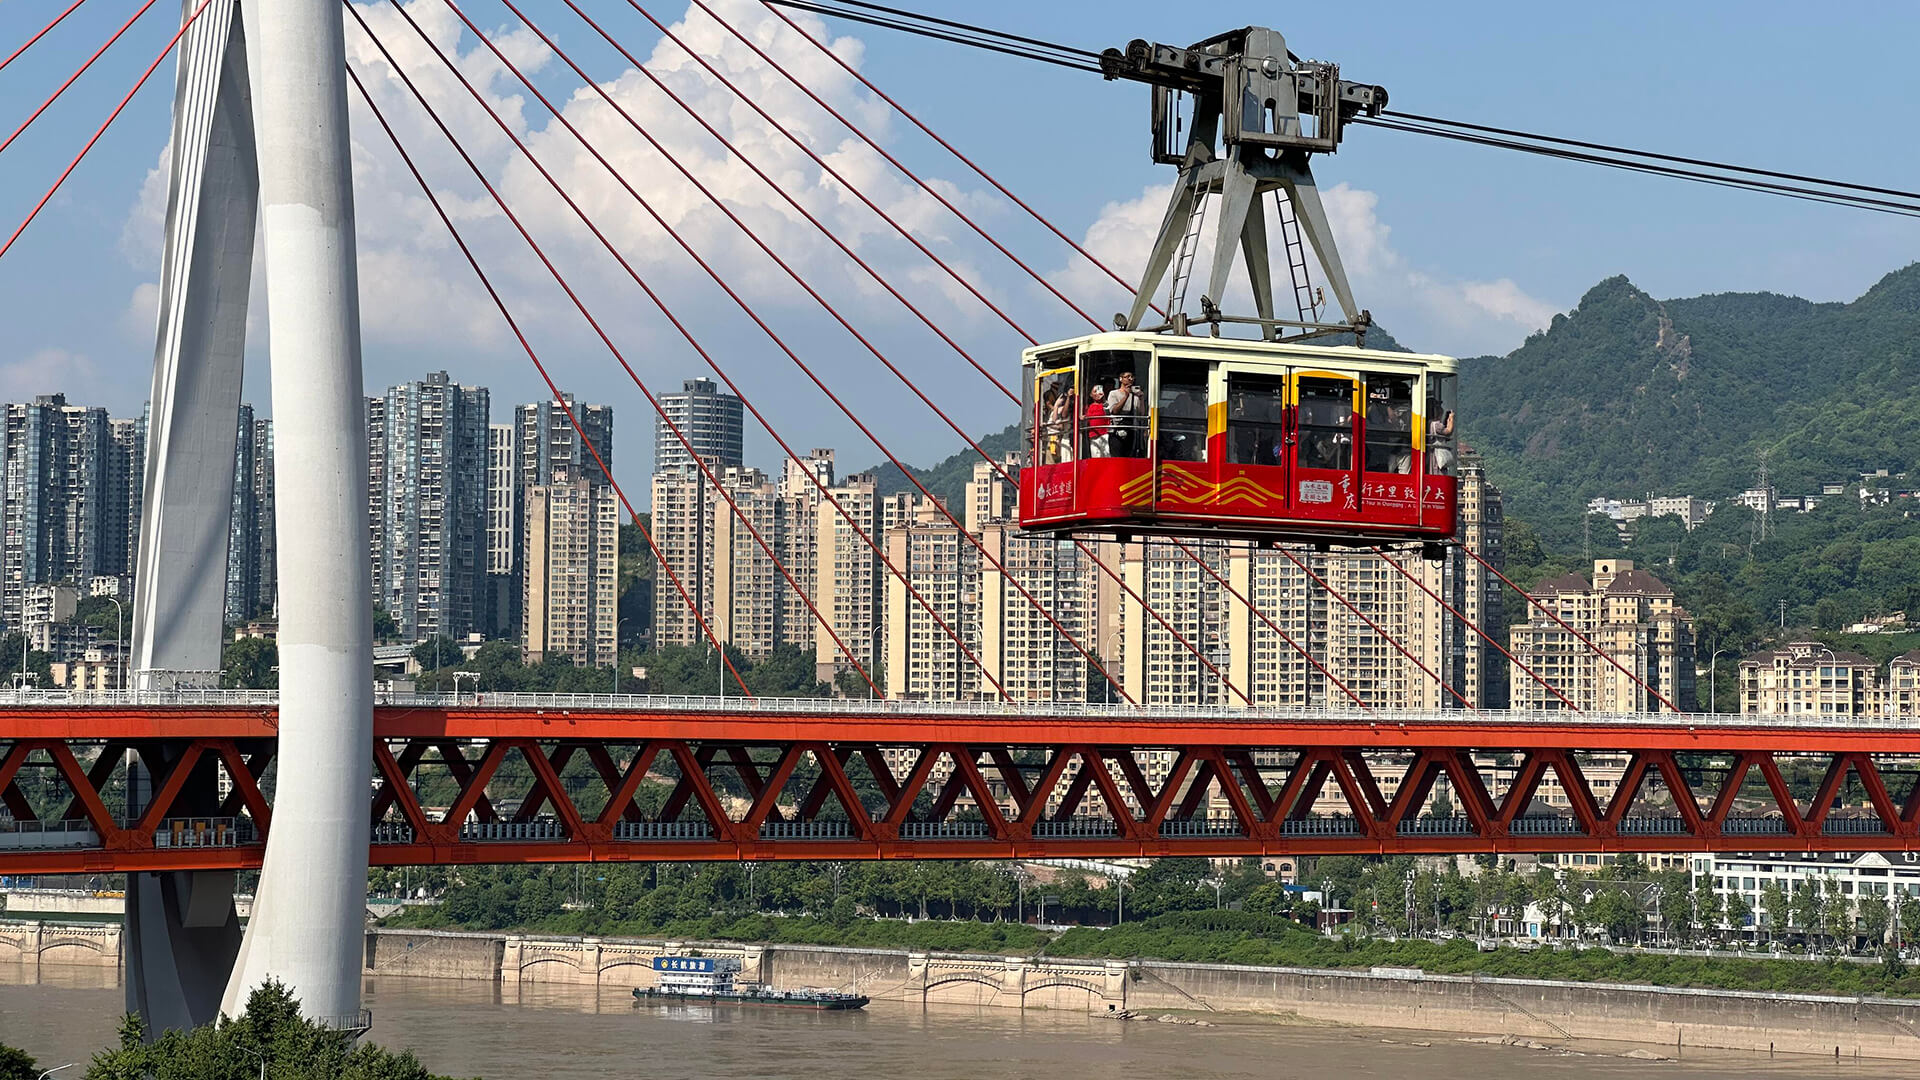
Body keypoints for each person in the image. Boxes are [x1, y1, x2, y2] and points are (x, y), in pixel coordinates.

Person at [1106, 370, 1144, 458]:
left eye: (1132, 377)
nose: (1130, 379)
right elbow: (1114, 411)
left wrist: (1141, 399)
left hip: (1132, 430)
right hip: (1116, 431)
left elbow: (1141, 413)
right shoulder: (1113, 393)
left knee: (1130, 457)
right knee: (1117, 457)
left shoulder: (1135, 396)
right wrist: (1125, 396)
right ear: (1120, 379)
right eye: (1127, 377)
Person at [1084, 385, 1111, 457]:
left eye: (1099, 391)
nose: (1097, 393)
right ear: (1091, 395)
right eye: (1095, 391)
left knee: (1106, 455)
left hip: (1105, 434)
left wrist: (1104, 398)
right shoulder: (1089, 406)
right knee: (1096, 456)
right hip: (1094, 435)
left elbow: (1108, 413)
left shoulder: (1105, 404)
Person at [1427, 410, 1456, 476]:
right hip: (1437, 453)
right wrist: (1451, 419)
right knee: (1438, 469)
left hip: (1431, 452)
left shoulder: (1428, 423)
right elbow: (1448, 431)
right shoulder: (1436, 424)